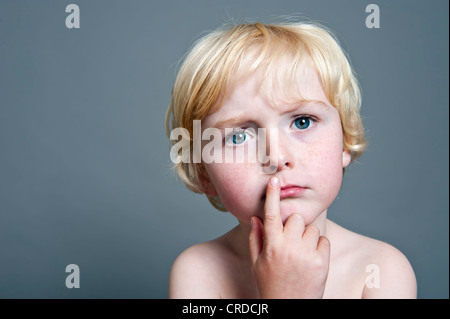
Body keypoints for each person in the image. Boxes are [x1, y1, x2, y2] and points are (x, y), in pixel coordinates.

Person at [165, 21, 416, 298]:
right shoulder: (198, 272)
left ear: (345, 140)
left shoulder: (380, 270)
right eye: (238, 137)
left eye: (303, 121)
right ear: (203, 173)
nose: (277, 158)